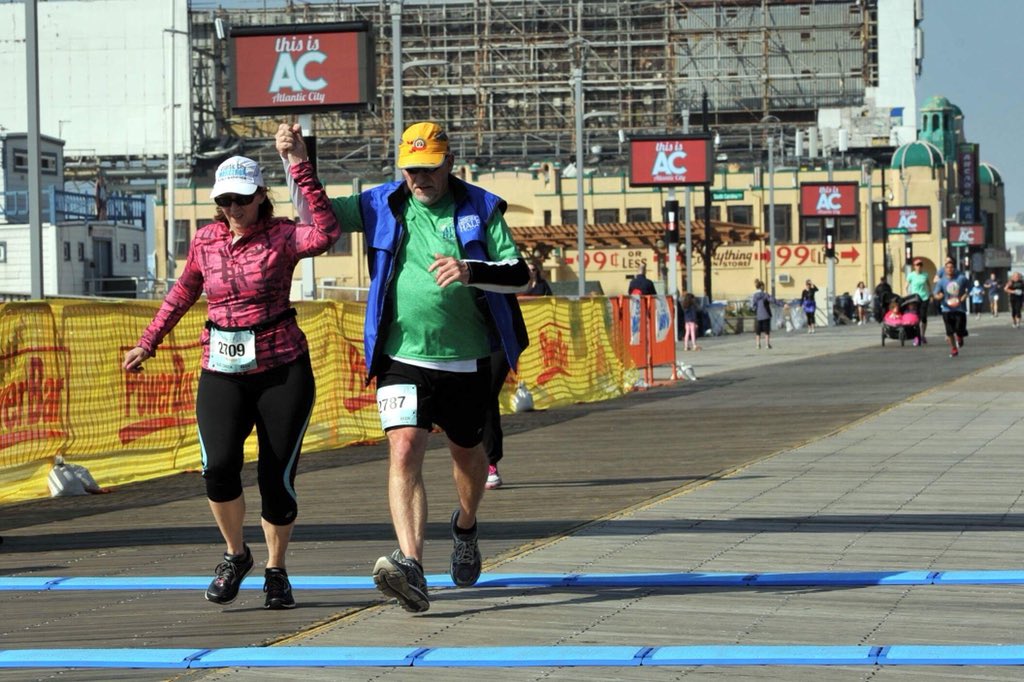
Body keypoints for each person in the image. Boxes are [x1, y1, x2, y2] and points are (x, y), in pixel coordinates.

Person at [276, 121, 530, 614]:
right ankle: (412, 566)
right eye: (411, 170)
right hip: (400, 356)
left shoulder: (481, 207)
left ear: (449, 163)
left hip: (465, 358)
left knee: (467, 453)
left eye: (429, 169)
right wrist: (295, 162)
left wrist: (470, 270)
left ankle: (466, 525)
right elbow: (315, 217)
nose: (420, 179)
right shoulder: (381, 203)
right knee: (404, 446)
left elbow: (519, 274)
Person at [122, 154, 340, 609]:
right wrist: (148, 341)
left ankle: (276, 571)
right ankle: (236, 555)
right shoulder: (206, 240)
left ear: (260, 195)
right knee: (218, 466)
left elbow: (326, 232)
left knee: (275, 477)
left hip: (282, 370)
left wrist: (300, 168)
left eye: (241, 199)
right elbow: (184, 290)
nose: (233, 208)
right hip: (221, 370)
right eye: (224, 201)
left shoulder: (283, 235)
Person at [932, 259, 970, 358]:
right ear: (945, 269)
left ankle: (960, 337)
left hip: (959, 309)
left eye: (951, 267)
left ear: (954, 269)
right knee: (949, 331)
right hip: (947, 309)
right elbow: (935, 293)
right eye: (947, 267)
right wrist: (939, 296)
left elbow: (969, 287)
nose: (949, 269)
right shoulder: (941, 281)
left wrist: (965, 295)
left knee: (959, 329)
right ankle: (954, 348)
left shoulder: (961, 278)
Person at [905, 259, 930, 343]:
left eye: (920, 265)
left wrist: (930, 294)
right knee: (916, 318)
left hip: (924, 298)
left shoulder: (925, 275)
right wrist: (907, 295)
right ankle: (917, 336)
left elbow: (928, 285)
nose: (919, 266)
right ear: (914, 266)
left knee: (923, 317)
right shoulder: (911, 275)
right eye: (917, 265)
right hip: (914, 299)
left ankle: (922, 335)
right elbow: (906, 286)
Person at [750, 280, 774, 350]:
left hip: (758, 315)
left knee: (758, 331)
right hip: (766, 315)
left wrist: (754, 309)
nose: (764, 287)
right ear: (761, 286)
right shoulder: (765, 294)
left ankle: (758, 345)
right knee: (767, 331)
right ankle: (767, 344)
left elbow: (752, 305)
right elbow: (772, 300)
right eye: (764, 286)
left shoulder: (754, 295)